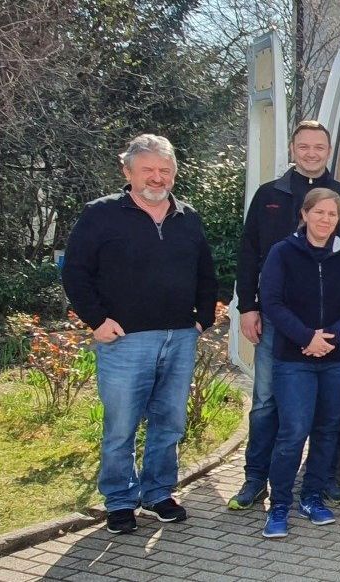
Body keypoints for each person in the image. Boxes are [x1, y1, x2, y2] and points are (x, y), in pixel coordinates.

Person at [62, 134, 218, 534]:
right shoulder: (100, 215)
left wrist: (202, 318)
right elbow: (75, 274)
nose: (157, 177)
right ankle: (119, 500)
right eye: (148, 169)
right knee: (121, 425)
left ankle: (158, 493)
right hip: (125, 340)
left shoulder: (188, 216)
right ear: (127, 171)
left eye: (165, 170)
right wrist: (96, 321)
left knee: (169, 423)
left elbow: (206, 272)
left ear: (175, 174)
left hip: (179, 338)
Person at [231, 120, 340, 511]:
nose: (311, 153)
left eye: (318, 147)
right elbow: (248, 252)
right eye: (303, 146)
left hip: (332, 326)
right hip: (279, 320)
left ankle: (322, 480)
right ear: (293, 149)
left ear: (329, 150)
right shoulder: (269, 195)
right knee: (266, 402)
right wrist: (248, 306)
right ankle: (255, 478)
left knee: (328, 411)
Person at [257, 188, 340, 538]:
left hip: (338, 358)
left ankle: (312, 497)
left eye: (332, 215)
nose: (325, 220)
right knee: (293, 432)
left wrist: (329, 338)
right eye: (318, 212)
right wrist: (307, 337)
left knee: (326, 429)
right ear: (304, 215)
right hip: (294, 358)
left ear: (339, 220)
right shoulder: (282, 253)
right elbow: (272, 302)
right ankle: (279, 506)